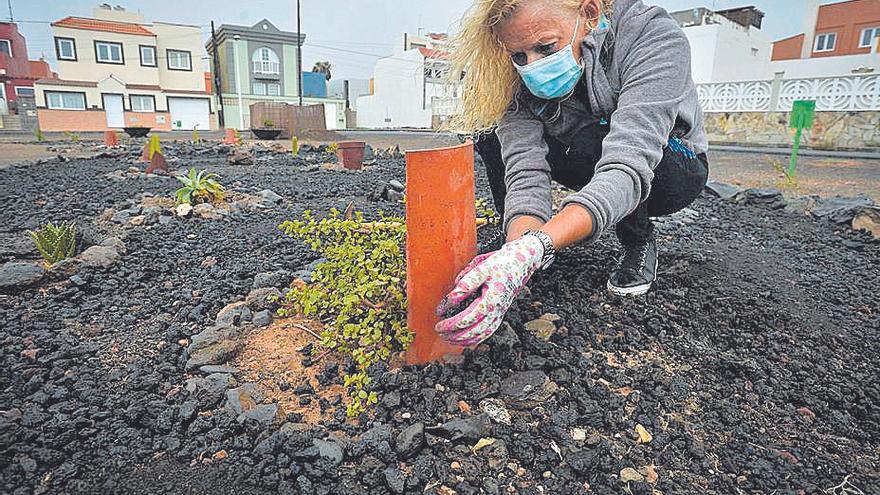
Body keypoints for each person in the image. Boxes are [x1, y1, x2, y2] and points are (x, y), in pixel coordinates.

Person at [435, 0, 710, 346]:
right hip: (586, 150)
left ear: (590, 14)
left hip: (670, 167)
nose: (532, 66)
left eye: (545, 48)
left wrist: (541, 244)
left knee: (601, 133)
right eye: (519, 56)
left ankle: (637, 238)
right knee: (490, 135)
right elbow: (525, 170)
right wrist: (520, 252)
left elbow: (627, 162)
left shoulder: (651, 35)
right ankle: (521, 244)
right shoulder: (508, 75)